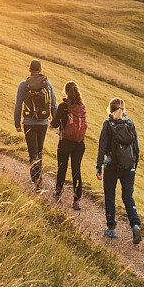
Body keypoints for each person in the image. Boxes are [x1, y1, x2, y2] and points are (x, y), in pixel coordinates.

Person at [96, 97, 141, 243]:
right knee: (128, 197)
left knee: (110, 196)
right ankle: (135, 226)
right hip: (129, 166)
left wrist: (99, 166)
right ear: (123, 109)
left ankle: (111, 228)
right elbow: (136, 147)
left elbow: (102, 146)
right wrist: (134, 165)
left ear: (110, 108)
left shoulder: (108, 124)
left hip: (111, 166)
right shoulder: (130, 123)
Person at [13, 59, 56, 190]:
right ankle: (37, 178)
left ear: (29, 70)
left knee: (33, 152)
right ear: (41, 70)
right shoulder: (48, 84)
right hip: (43, 122)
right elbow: (54, 104)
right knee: (39, 151)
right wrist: (54, 122)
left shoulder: (23, 85)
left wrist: (17, 123)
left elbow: (18, 105)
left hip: (29, 123)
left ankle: (37, 180)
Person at [50, 81, 87, 209]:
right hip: (79, 144)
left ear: (66, 92)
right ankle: (76, 201)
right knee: (76, 170)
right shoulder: (82, 107)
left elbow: (54, 123)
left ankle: (59, 193)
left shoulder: (63, 106)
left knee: (62, 167)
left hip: (65, 142)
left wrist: (52, 125)